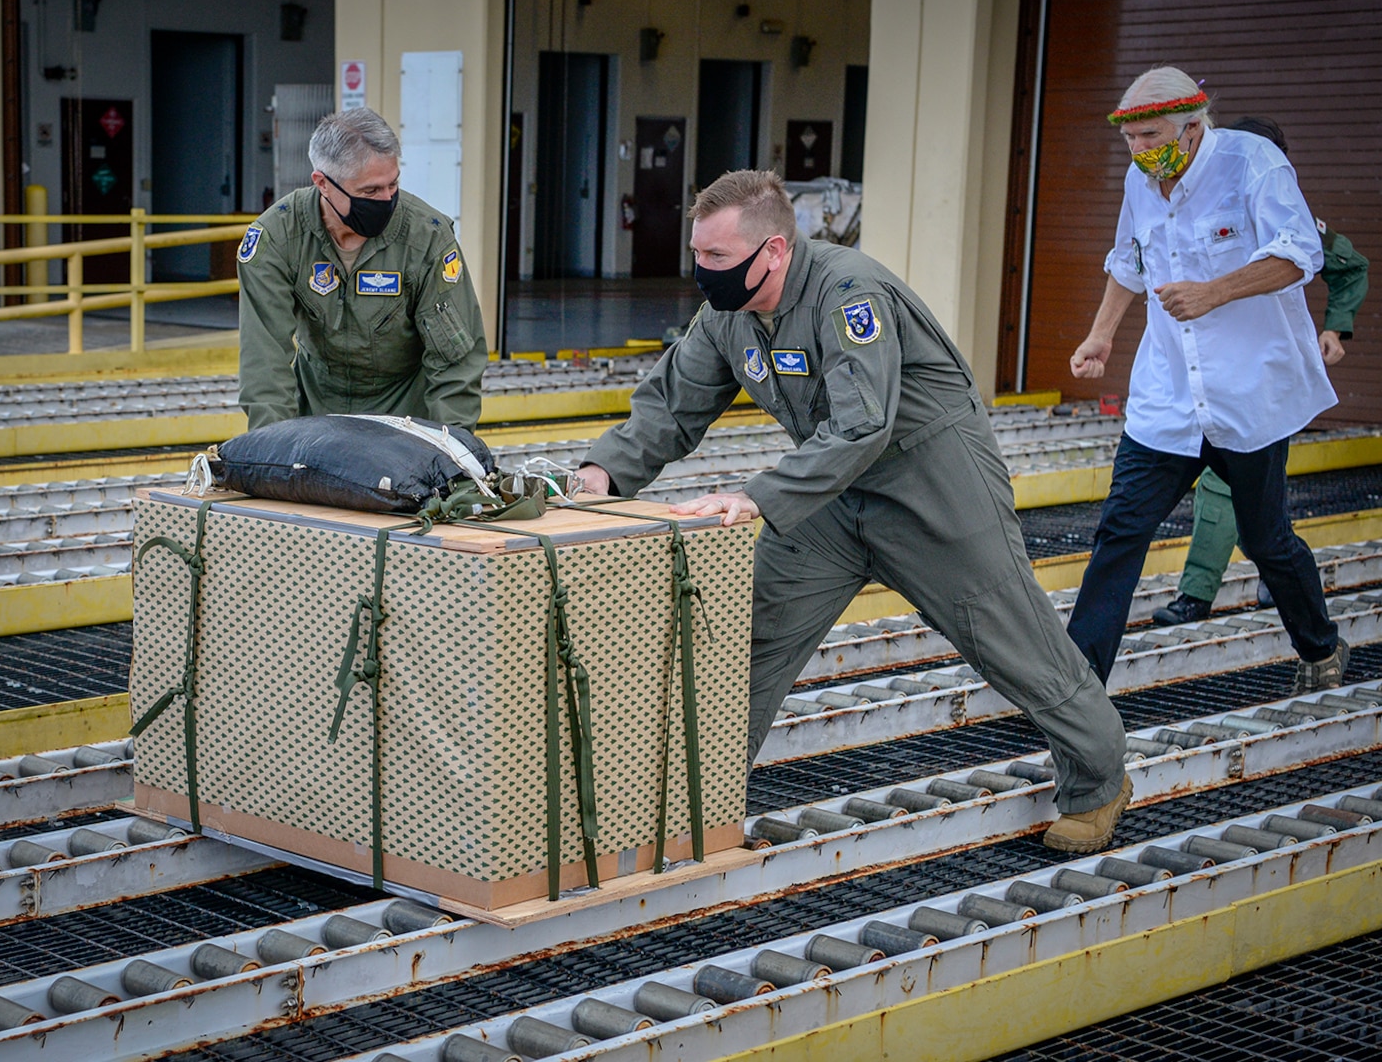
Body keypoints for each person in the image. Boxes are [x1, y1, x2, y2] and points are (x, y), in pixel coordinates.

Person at [578, 169, 1131, 853]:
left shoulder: (848, 293)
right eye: (698, 253)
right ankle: (701, 809)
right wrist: (602, 471)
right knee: (747, 633)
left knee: (1010, 640)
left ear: (773, 251)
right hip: (829, 494)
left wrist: (756, 497)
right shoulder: (728, 311)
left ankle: (1098, 779)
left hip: (931, 483)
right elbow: (672, 401)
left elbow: (864, 426)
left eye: (716, 257)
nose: (701, 271)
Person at [1066, 68, 1348, 693]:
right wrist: (1102, 334)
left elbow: (1301, 254)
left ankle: (1321, 645)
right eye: (1130, 140)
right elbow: (1129, 261)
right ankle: (1077, 687)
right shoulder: (1142, 181)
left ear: (1193, 128)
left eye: (1151, 136)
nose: (1139, 151)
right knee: (1121, 528)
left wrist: (1214, 292)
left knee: (1265, 539)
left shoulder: (1254, 164)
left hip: (1247, 395)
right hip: (1168, 396)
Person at [1154, 118, 1368, 625]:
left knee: (1250, 495)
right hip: (1207, 379)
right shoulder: (1189, 208)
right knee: (1228, 490)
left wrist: (1336, 329)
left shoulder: (1297, 223)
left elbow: (1348, 265)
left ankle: (1260, 584)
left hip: (1265, 380)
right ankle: (1209, 590)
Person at [236, 108, 489, 431]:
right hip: (316, 410)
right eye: (370, 191)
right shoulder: (278, 238)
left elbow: (456, 361)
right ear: (322, 183)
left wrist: (449, 448)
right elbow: (265, 361)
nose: (386, 200)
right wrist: (273, 446)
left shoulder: (427, 237)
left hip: (408, 415)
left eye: (392, 185)